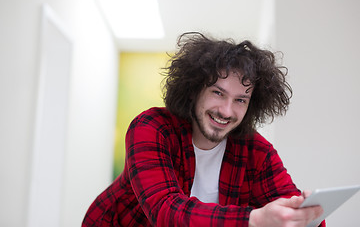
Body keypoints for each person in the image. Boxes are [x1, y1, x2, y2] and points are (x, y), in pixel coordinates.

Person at [82, 32, 325, 226]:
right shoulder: (151, 128)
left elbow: (291, 207)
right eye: (218, 93)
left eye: (240, 100)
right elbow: (166, 212)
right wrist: (255, 219)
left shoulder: (256, 151)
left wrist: (304, 215)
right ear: (194, 89)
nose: (227, 111)